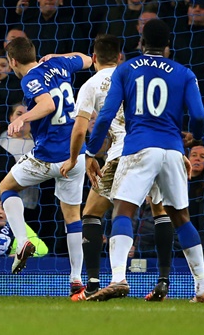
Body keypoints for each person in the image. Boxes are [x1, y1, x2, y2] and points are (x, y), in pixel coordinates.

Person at [85, 19, 204, 303]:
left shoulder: (126, 69)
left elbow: (106, 116)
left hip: (139, 147)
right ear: (168, 47)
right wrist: (195, 137)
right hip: (171, 150)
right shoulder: (185, 73)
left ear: (141, 44)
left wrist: (92, 150)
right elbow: (200, 116)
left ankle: (119, 278)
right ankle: (203, 287)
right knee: (181, 217)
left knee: (122, 210)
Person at [59, 34, 175, 301]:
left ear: (95, 58)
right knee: (160, 210)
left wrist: (81, 156)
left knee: (91, 212)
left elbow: (79, 129)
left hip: (123, 153)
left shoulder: (91, 84)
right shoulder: (137, 75)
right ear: (121, 57)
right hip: (157, 148)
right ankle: (163, 282)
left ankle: (94, 282)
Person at [0, 36, 92, 296]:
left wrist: (23, 119)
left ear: (13, 61)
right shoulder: (60, 63)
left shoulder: (29, 78)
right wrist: (58, 56)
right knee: (72, 217)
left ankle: (22, 240)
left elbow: (48, 104)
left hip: (47, 155)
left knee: (6, 187)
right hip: (75, 154)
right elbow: (87, 59)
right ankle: (76, 280)